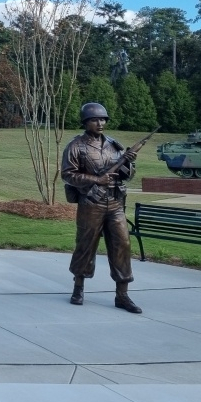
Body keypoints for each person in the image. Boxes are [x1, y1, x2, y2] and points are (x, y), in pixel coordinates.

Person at [61, 102, 141, 313]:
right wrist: (97, 179)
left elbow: (128, 175)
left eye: (103, 119)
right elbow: (68, 175)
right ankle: (78, 288)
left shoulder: (114, 145)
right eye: (95, 119)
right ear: (86, 122)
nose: (100, 123)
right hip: (91, 203)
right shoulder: (76, 146)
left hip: (115, 203)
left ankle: (122, 295)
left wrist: (129, 163)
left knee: (122, 244)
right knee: (86, 245)